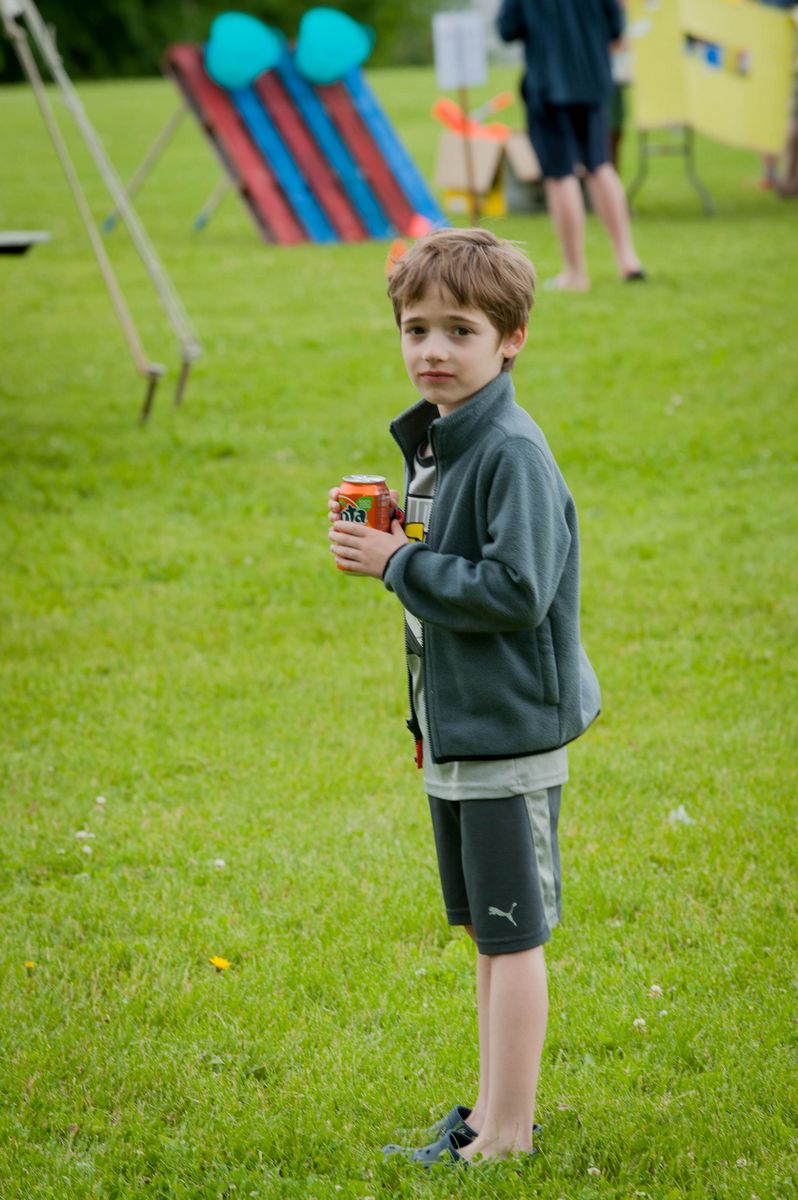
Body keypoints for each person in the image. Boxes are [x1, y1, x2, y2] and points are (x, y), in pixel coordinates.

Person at [327, 228, 601, 1167]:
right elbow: (456, 567)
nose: (433, 351)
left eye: (460, 331)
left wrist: (397, 562)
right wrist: (401, 538)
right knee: (489, 934)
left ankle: (511, 1134)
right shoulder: (443, 443)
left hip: (507, 732)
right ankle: (487, 1116)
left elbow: (518, 590)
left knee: (514, 937)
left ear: (512, 338)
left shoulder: (511, 452)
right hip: (458, 730)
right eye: (416, 330)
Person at [497, 0, 645, 291]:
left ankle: (575, 273)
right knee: (601, 166)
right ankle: (628, 259)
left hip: (548, 87)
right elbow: (616, 27)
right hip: (593, 81)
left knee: (560, 175)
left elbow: (507, 29)